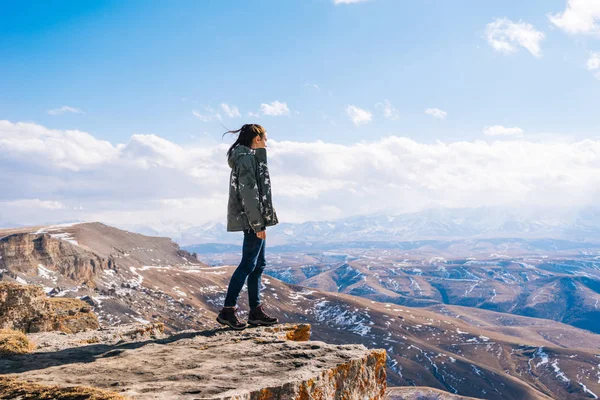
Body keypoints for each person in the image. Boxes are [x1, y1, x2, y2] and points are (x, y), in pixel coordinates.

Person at [217, 124, 279, 330]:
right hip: (253, 220)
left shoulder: (251, 157)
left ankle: (255, 312)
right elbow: (249, 192)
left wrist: (261, 154)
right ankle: (228, 310)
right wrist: (257, 223)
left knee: (258, 265)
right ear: (257, 138)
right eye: (264, 139)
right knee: (247, 264)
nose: (266, 143)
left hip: (257, 218)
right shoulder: (245, 159)